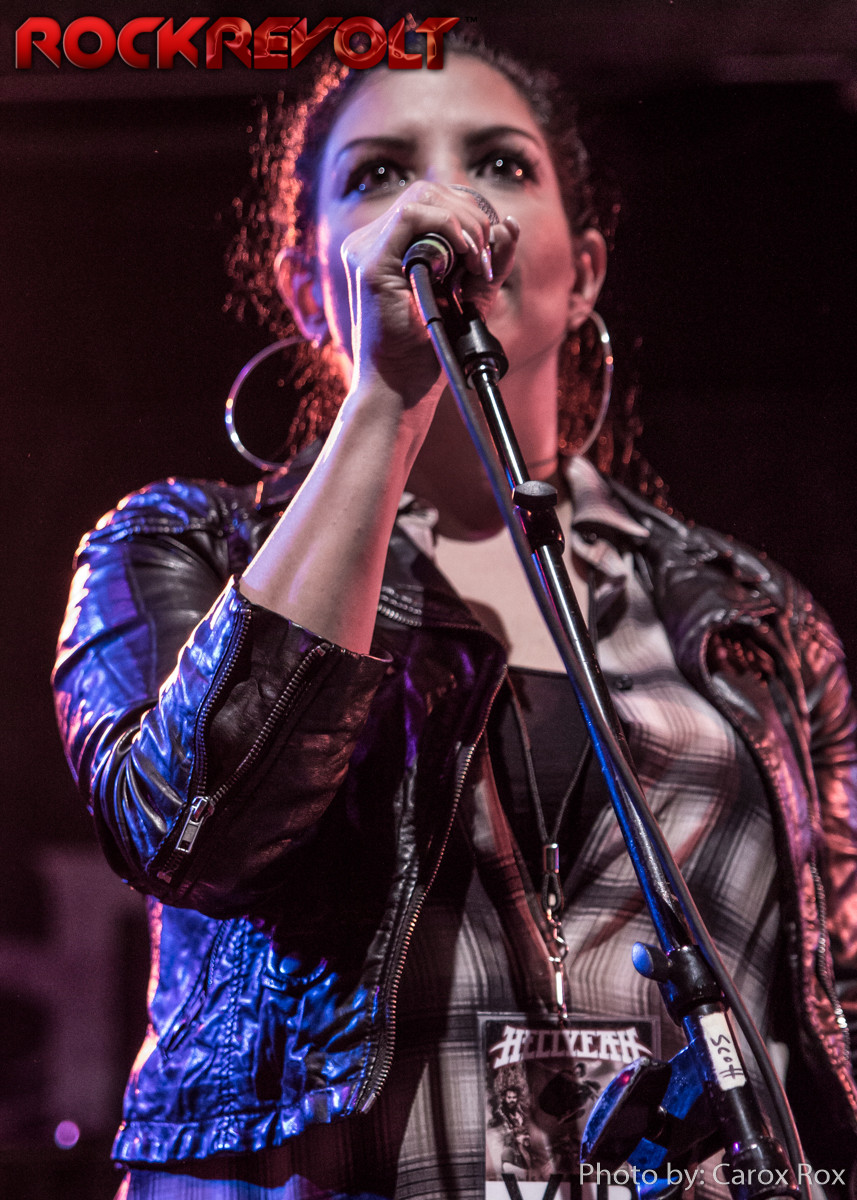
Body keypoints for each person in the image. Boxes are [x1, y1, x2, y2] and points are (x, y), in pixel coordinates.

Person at [52, 31, 857, 1200]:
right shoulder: (182, 548)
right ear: (307, 282)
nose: (445, 205)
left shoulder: (754, 620)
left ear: (583, 271)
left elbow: (831, 1003)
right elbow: (190, 833)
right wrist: (389, 393)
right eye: (380, 174)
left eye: (499, 164)